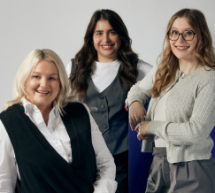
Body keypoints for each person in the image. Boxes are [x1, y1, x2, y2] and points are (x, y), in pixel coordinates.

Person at [0, 49, 117, 193]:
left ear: (60, 83)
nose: (44, 84)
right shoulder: (8, 122)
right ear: (24, 79)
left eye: (52, 78)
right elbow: (4, 182)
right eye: (36, 76)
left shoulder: (80, 112)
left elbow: (106, 164)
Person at [126, 8, 215, 193]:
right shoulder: (165, 68)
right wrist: (135, 102)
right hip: (159, 161)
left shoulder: (209, 78)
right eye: (174, 33)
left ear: (201, 36)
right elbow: (138, 89)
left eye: (188, 33)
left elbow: (195, 132)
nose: (179, 40)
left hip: (192, 167)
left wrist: (151, 126)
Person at [66, 9, 152, 193]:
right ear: (91, 37)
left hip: (122, 160)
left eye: (112, 32)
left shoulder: (140, 69)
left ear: (121, 36)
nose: (106, 39)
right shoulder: (73, 68)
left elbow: (169, 93)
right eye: (99, 33)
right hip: (83, 159)